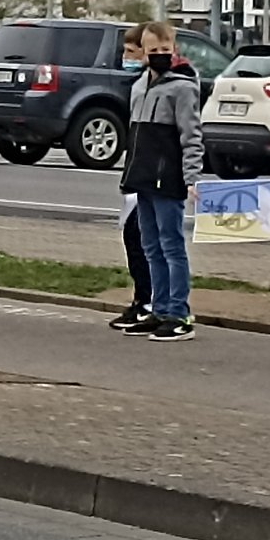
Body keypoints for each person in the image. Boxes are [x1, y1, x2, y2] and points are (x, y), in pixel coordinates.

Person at [120, 22, 203, 342]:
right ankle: (159, 306)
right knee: (150, 245)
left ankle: (179, 312)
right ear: (144, 53)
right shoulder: (139, 86)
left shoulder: (182, 87)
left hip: (166, 178)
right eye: (153, 51)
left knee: (171, 245)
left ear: (174, 50)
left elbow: (191, 136)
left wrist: (191, 176)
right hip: (142, 177)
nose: (159, 56)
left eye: (165, 51)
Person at [108, 23, 157, 331]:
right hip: (138, 172)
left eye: (130, 51)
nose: (125, 57)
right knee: (134, 235)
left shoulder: (158, 85)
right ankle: (142, 299)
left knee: (143, 238)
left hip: (154, 175)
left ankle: (150, 301)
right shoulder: (139, 84)